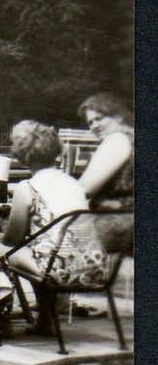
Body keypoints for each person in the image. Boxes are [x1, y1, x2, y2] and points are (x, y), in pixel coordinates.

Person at [0, 120, 99, 334]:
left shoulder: (27, 187)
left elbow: (13, 240)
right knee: (46, 249)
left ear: (21, 154)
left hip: (61, 271)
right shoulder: (72, 183)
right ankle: (47, 321)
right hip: (93, 268)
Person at [76, 92, 133, 255]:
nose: (94, 126)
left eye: (99, 118)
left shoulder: (117, 139)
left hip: (113, 226)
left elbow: (84, 189)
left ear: (119, 116)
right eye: (90, 122)